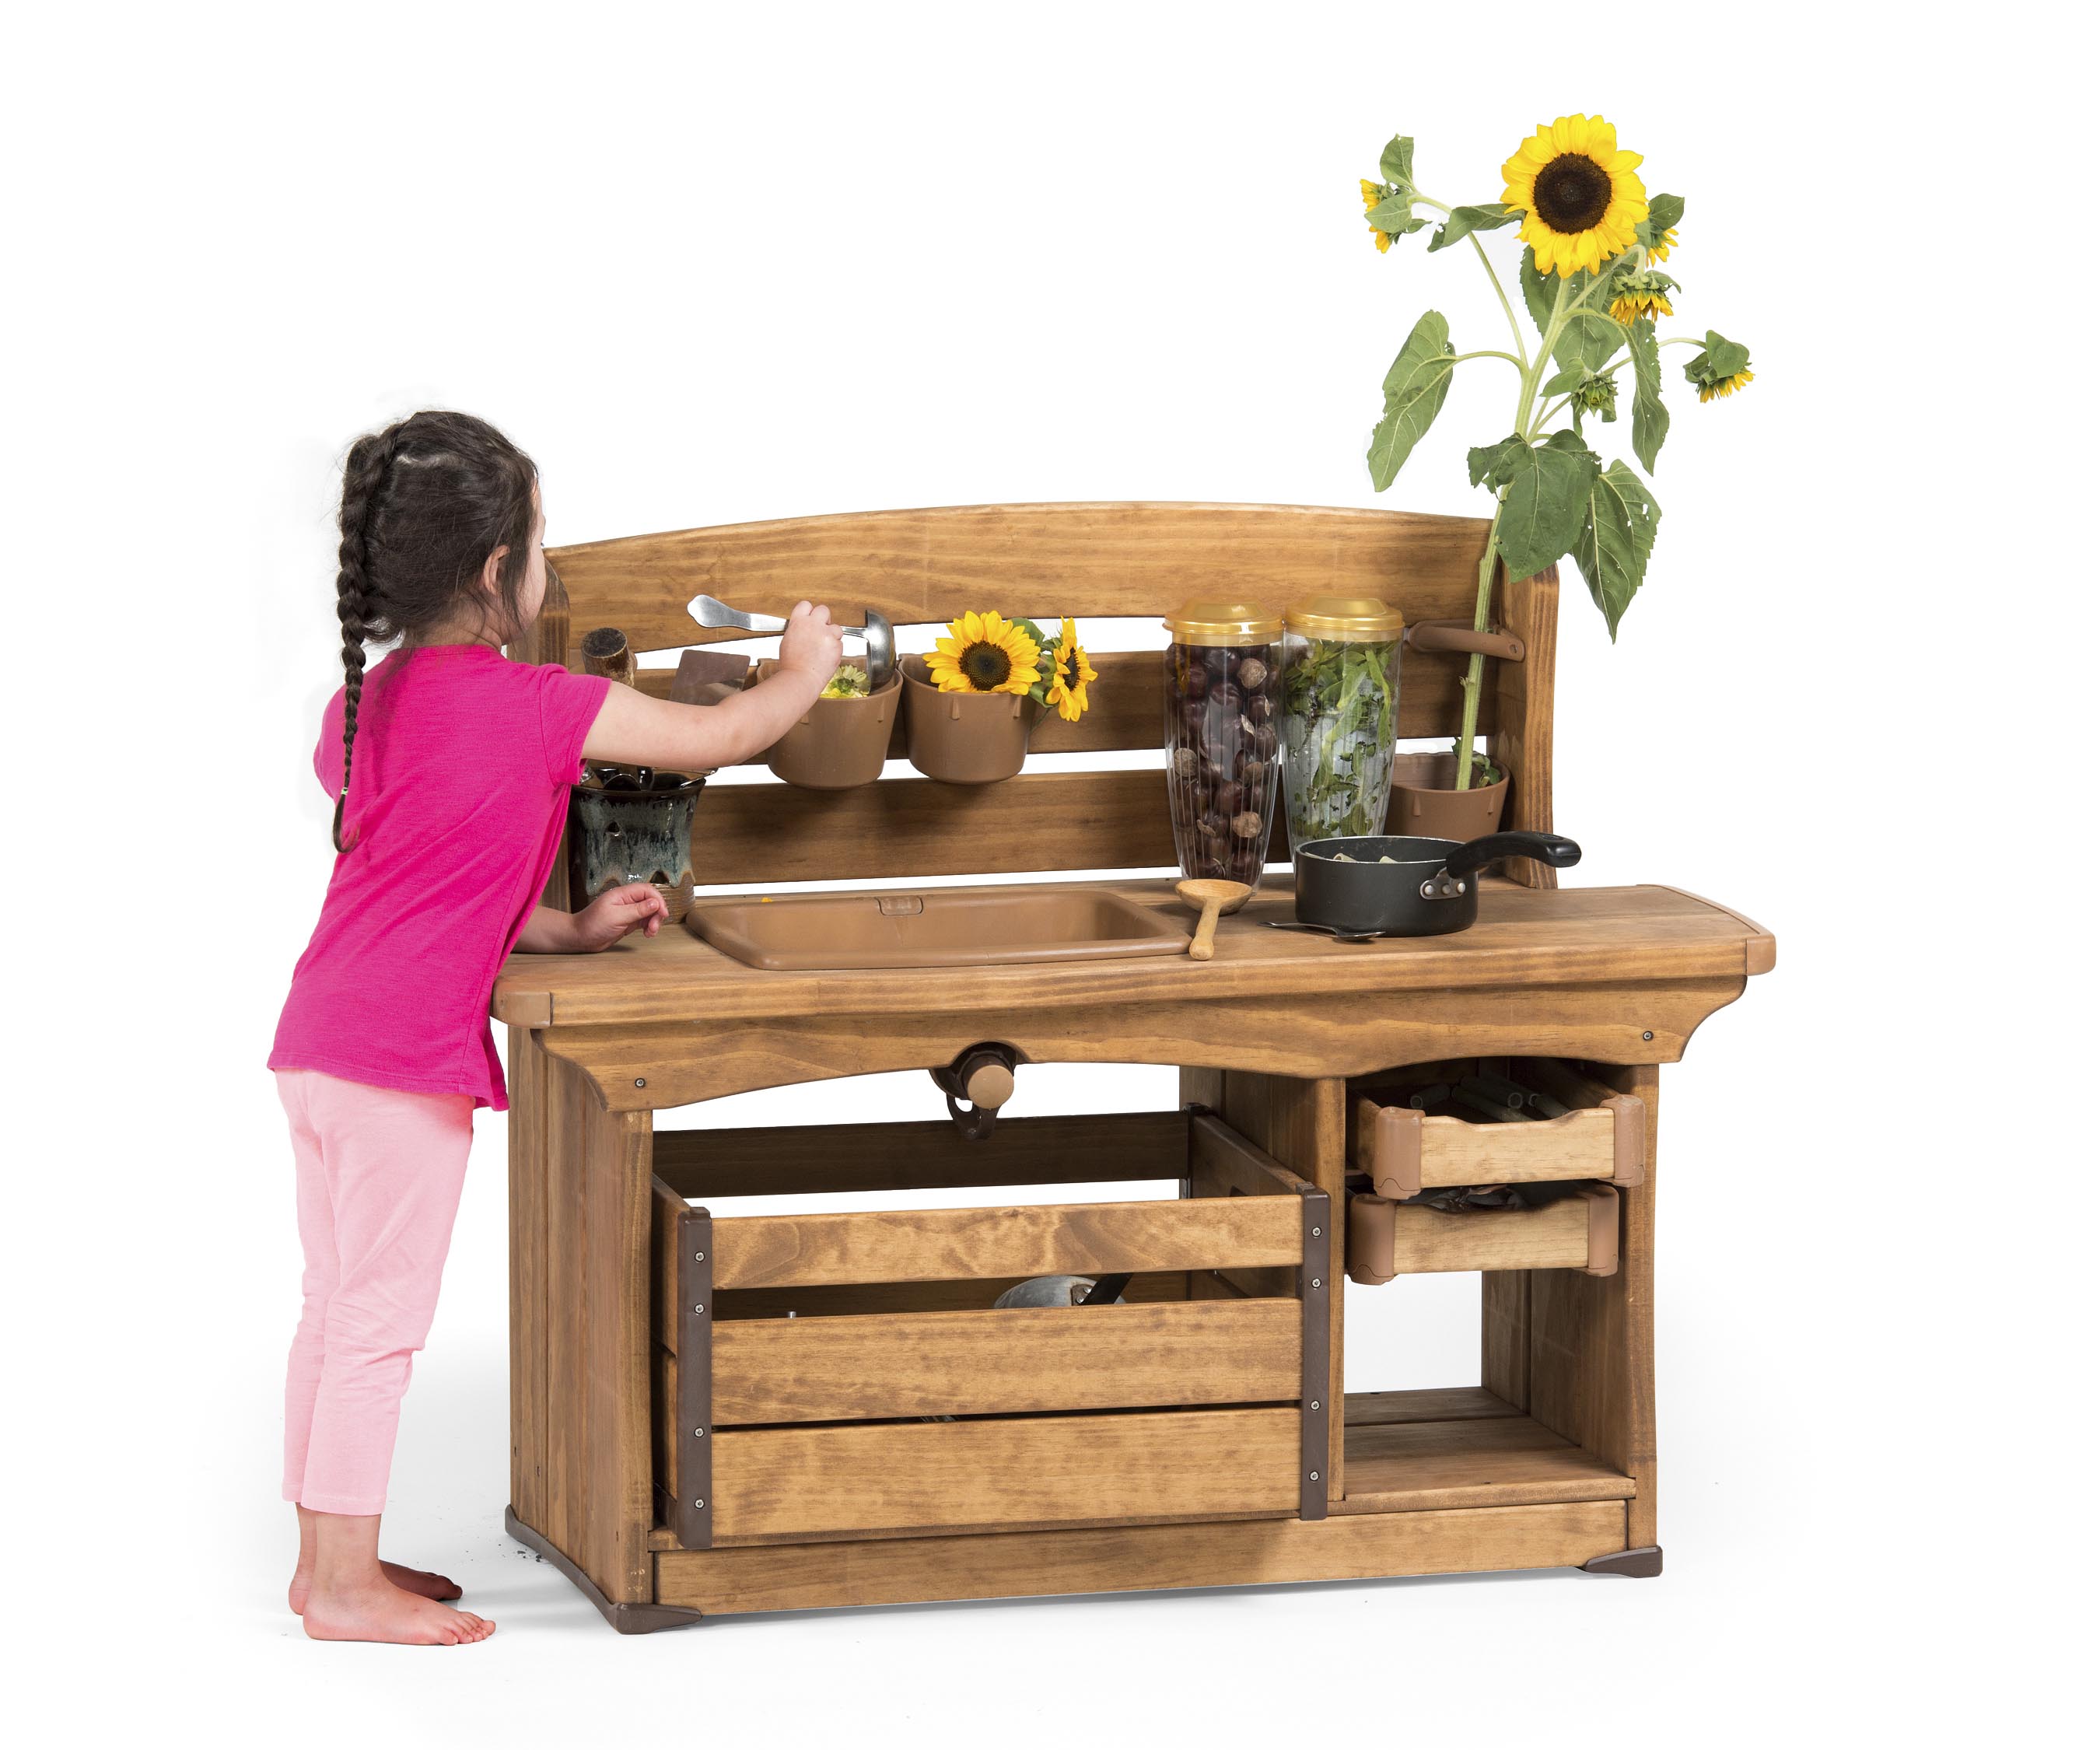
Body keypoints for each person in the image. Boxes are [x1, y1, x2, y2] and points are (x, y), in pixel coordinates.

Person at [269, 410, 841, 1643]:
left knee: (334, 1305)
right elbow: (713, 736)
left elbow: (432, 869)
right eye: (539, 543)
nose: (546, 565)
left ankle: (326, 1565)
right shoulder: (540, 706)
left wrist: (563, 930)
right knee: (376, 1324)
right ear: (494, 574)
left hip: (319, 1042)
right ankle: (346, 1587)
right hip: (395, 1069)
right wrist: (801, 671)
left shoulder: (361, 711)